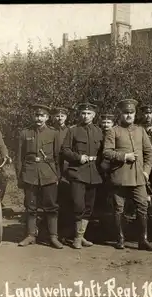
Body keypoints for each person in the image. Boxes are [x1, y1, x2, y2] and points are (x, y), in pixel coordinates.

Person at [103, 99, 152, 251]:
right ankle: (120, 239)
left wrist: (146, 171)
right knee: (119, 209)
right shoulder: (113, 131)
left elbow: (149, 153)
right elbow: (107, 152)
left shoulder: (140, 130)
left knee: (142, 207)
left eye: (131, 113)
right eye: (126, 113)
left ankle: (143, 240)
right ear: (120, 114)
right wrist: (125, 157)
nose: (129, 116)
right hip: (119, 177)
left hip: (139, 178)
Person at [16, 104, 63, 249]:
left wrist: (57, 176)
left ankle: (53, 237)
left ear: (47, 118)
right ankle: (30, 235)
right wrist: (20, 177)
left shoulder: (54, 133)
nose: (39, 118)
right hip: (30, 174)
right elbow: (19, 157)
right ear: (33, 116)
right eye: (37, 115)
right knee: (31, 206)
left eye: (42, 116)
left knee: (51, 207)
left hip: (48, 174)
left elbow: (57, 157)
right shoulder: (25, 133)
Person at [61, 102, 104, 249]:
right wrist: (78, 158)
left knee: (88, 206)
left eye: (89, 113)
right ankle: (76, 238)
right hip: (78, 172)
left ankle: (81, 236)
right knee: (78, 205)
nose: (85, 116)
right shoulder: (73, 131)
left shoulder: (99, 131)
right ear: (80, 115)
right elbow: (65, 150)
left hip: (94, 173)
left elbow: (104, 151)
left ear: (94, 115)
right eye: (83, 113)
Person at [50, 106, 72, 243]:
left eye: (62, 116)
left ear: (66, 117)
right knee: (53, 201)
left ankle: (65, 233)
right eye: (57, 116)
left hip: (67, 169)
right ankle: (52, 232)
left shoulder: (71, 131)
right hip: (52, 168)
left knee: (67, 202)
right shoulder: (50, 131)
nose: (59, 118)